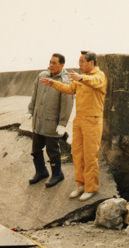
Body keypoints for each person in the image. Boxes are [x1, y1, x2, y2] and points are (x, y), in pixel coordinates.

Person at [39, 51, 107, 201]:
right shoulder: (80, 79)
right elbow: (69, 89)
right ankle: (80, 184)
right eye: (79, 62)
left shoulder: (99, 76)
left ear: (91, 62)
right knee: (77, 154)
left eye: (82, 62)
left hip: (93, 120)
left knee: (90, 156)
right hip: (80, 120)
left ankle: (91, 188)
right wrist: (53, 83)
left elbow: (94, 81)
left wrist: (81, 77)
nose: (80, 65)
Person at [27, 53, 74, 188]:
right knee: (36, 149)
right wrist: (30, 110)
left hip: (52, 123)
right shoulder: (42, 76)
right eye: (50, 62)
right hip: (38, 121)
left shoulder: (65, 81)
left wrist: (62, 123)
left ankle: (57, 174)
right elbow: (34, 94)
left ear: (62, 65)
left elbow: (67, 104)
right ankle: (41, 171)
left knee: (52, 151)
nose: (51, 65)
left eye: (54, 63)